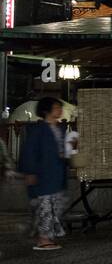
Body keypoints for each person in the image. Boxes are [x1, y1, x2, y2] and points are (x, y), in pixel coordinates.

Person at [18, 97, 68, 251]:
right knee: (46, 206)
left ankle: (45, 234)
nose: (59, 110)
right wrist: (30, 171)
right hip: (43, 174)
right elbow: (29, 152)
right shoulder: (38, 130)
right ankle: (43, 238)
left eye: (60, 107)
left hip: (56, 173)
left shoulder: (59, 129)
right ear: (47, 110)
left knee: (55, 205)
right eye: (56, 107)